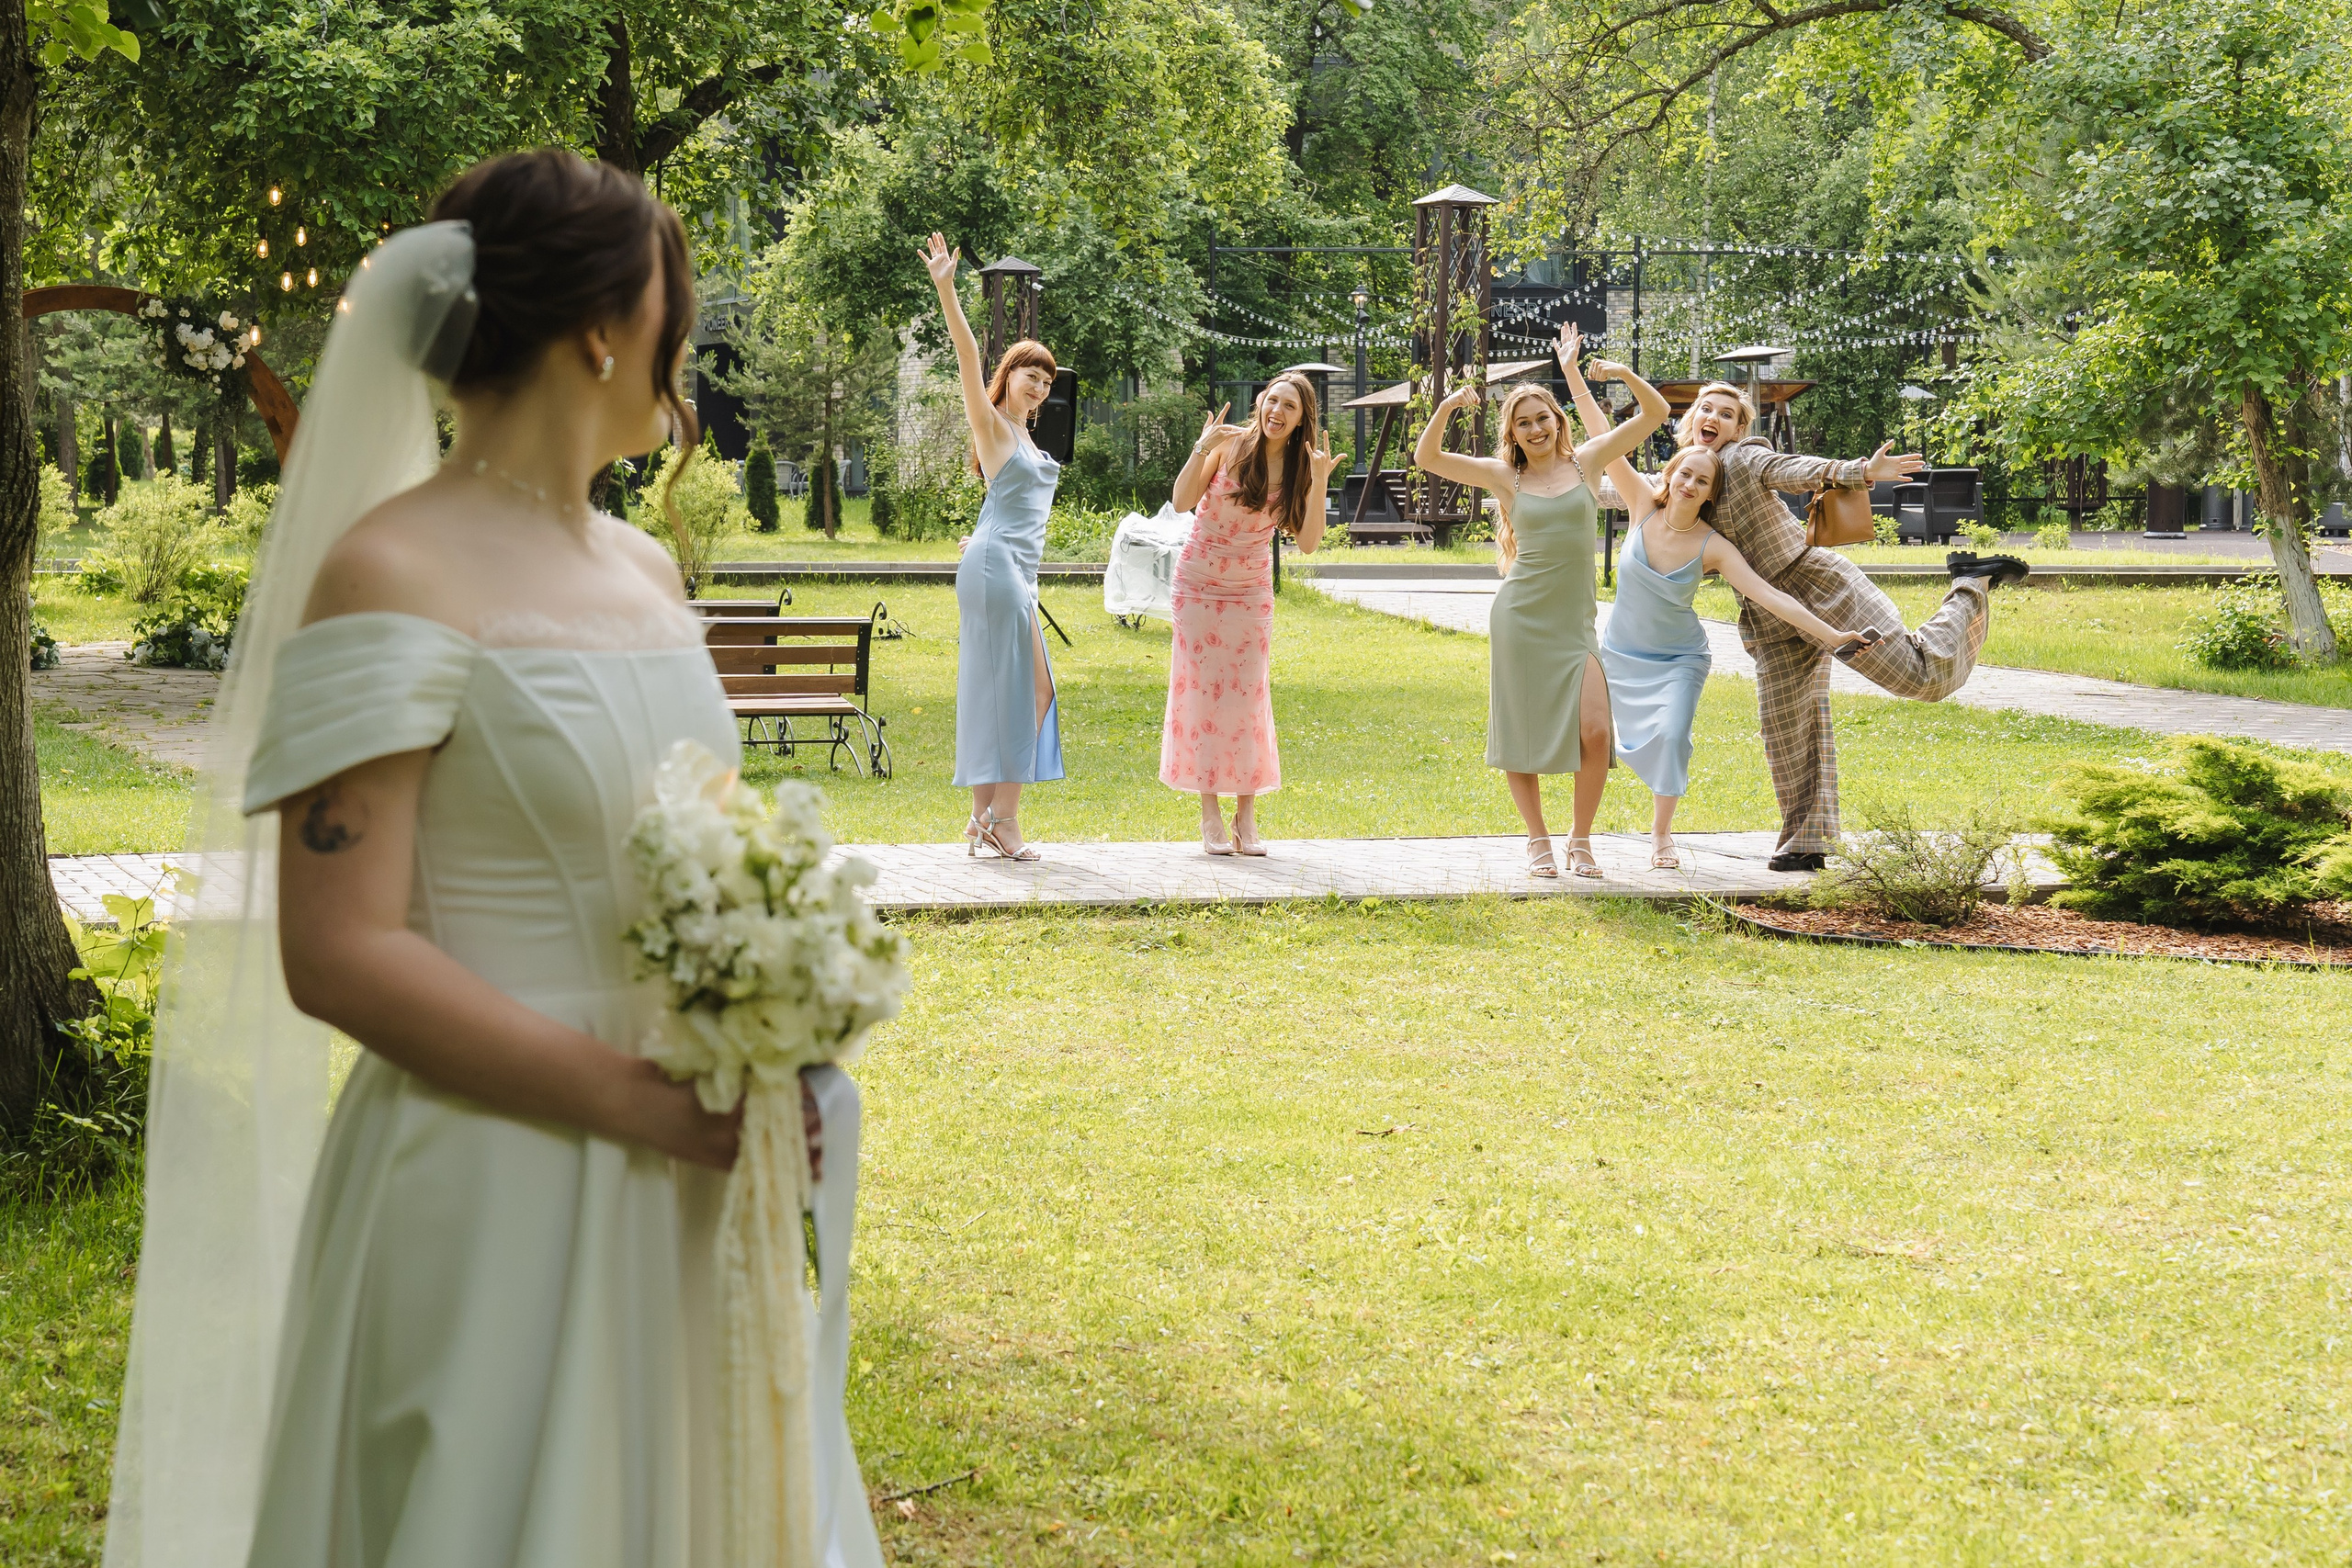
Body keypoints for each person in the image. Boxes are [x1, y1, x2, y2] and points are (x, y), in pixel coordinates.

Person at [104, 151, 878, 1568]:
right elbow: (337, 948)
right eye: (676, 299)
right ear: (601, 324)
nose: (685, 338)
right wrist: (635, 1102)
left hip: (697, 1168)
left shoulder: (644, 567)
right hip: (498, 1169)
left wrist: (773, 1027)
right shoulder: (390, 570)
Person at [1569, 344, 2027, 870]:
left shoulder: (1743, 459)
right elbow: (1609, 448)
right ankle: (1806, 842)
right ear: (1687, 423)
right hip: (1769, 619)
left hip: (1817, 587)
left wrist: (1861, 472)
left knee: (1919, 677)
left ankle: (1971, 583)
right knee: (1788, 727)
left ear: (1739, 430)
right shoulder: (1674, 486)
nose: (1714, 417)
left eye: (1728, 414)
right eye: (1706, 409)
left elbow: (1794, 469)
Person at [1413, 355, 1666, 878]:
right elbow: (1428, 456)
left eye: (1542, 418)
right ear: (1513, 432)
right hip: (1520, 618)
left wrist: (1620, 374)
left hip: (1574, 625)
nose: (1535, 429)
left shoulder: (1589, 462)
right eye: (1522, 423)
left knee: (1596, 731)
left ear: (1558, 420)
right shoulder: (1505, 475)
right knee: (1521, 735)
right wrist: (1447, 405)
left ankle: (1581, 839)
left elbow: (1656, 411)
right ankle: (1537, 840)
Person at [1586, 430, 1879, 868]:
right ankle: (1579, 836)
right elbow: (1604, 439)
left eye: (1702, 482)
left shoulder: (1714, 546)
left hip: (1680, 659)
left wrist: (1833, 636)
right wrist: (1573, 370)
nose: (1690, 485)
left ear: (1710, 495)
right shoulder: (1643, 505)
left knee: (1671, 737)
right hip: (1621, 654)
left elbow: (1771, 596)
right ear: (1671, 474)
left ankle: (1661, 835)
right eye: (1685, 474)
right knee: (1595, 738)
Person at [922, 232, 1063, 862]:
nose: (1039, 388)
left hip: (1003, 565)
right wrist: (948, 288)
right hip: (998, 567)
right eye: (1031, 376)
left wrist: (979, 537)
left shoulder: (1024, 443)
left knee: (998, 690)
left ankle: (982, 817)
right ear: (1007, 380)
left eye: (1046, 382)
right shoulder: (994, 427)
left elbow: (1008, 507)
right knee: (1031, 691)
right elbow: (966, 353)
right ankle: (1002, 819)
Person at [1162, 371, 1340, 854]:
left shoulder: (1302, 468)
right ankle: (1210, 816)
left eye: (1290, 407)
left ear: (1303, 419)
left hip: (1249, 593)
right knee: (1201, 695)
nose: (1276, 412)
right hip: (1198, 586)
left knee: (1246, 700)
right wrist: (1201, 446)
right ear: (1261, 401)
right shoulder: (1228, 446)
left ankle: (1247, 817)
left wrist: (1320, 481)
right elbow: (1181, 502)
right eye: (1272, 400)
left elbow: (1306, 544)